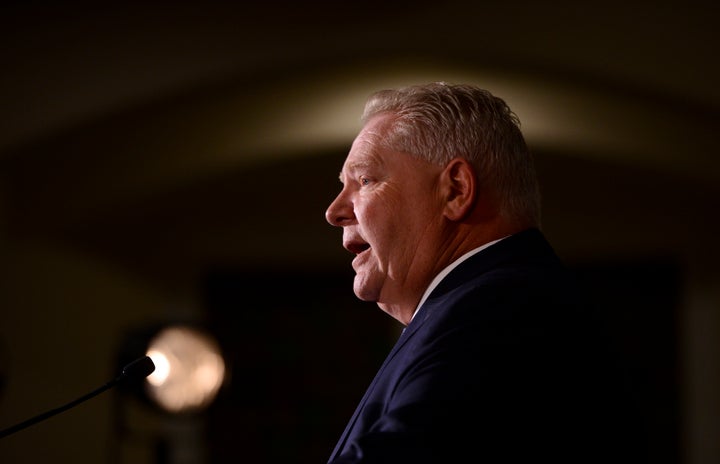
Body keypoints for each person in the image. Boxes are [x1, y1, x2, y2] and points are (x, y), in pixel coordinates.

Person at [324, 82, 645, 463]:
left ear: (456, 190)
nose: (334, 211)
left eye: (365, 181)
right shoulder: (480, 307)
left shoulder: (502, 309)